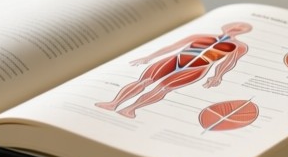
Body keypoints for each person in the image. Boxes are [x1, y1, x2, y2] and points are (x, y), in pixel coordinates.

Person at [95, 22, 252, 118]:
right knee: (144, 80)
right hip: (174, 59)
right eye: (235, 24)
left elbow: (229, 62)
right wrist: (150, 56)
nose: (236, 27)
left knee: (164, 88)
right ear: (224, 25)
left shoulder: (240, 46)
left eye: (242, 27)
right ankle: (113, 103)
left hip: (198, 68)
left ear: (244, 32)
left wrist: (218, 76)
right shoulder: (199, 35)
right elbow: (173, 46)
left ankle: (130, 109)